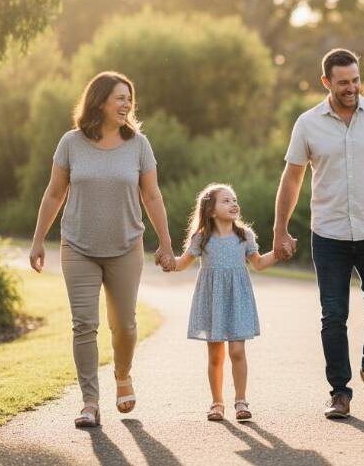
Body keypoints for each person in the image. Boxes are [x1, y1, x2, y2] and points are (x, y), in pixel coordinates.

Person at [272, 48, 364, 419]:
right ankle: (340, 391)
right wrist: (280, 229)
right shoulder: (307, 123)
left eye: (355, 80)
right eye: (343, 83)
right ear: (326, 83)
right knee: (333, 315)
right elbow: (292, 177)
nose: (351, 88)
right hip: (329, 234)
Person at [29, 71, 175, 428]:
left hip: (126, 245)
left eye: (129, 98)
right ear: (99, 101)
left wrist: (166, 243)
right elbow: (54, 193)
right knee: (84, 325)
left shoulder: (139, 144)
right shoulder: (71, 142)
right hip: (78, 245)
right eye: (119, 98)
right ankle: (90, 402)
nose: (126, 104)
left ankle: (122, 375)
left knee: (124, 325)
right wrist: (37, 240)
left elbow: (152, 195)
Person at [167, 183, 281, 422]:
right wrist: (167, 260)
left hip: (238, 298)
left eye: (234, 200)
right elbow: (181, 263)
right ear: (210, 210)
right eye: (226, 200)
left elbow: (258, 263)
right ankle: (217, 403)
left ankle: (241, 401)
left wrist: (279, 253)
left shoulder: (244, 236)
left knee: (237, 351)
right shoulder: (202, 238)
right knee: (216, 355)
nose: (233, 204)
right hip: (213, 300)